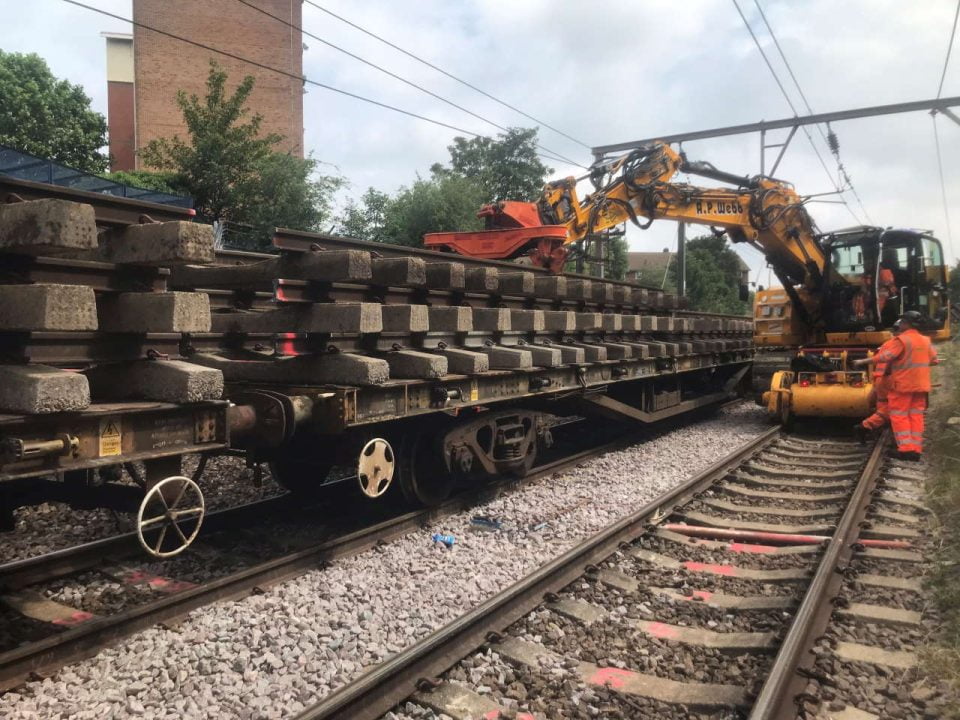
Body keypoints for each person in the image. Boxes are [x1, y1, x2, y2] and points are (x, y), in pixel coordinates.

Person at [853, 311, 938, 460]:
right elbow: (934, 360)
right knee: (916, 416)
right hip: (921, 385)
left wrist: (862, 362)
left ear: (905, 323)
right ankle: (915, 450)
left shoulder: (901, 340)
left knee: (899, 415)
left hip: (903, 385)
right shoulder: (925, 340)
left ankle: (905, 449)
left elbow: (886, 357)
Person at [852, 320, 901, 443]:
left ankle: (868, 427)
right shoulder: (900, 344)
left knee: (884, 408)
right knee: (895, 408)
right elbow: (889, 360)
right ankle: (866, 427)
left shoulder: (886, 344)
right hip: (889, 379)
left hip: (880, 379)